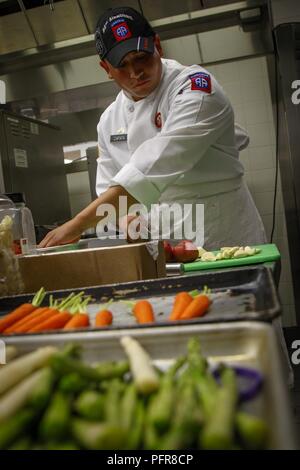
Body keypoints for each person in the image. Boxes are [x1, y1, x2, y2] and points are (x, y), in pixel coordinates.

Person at [40, 6, 266, 249]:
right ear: (106, 69)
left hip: (225, 235)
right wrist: (129, 220)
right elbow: (109, 187)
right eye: (121, 65)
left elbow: (157, 164)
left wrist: (76, 225)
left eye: (141, 57)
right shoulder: (109, 121)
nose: (135, 72)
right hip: (164, 247)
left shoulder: (196, 88)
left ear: (157, 45)